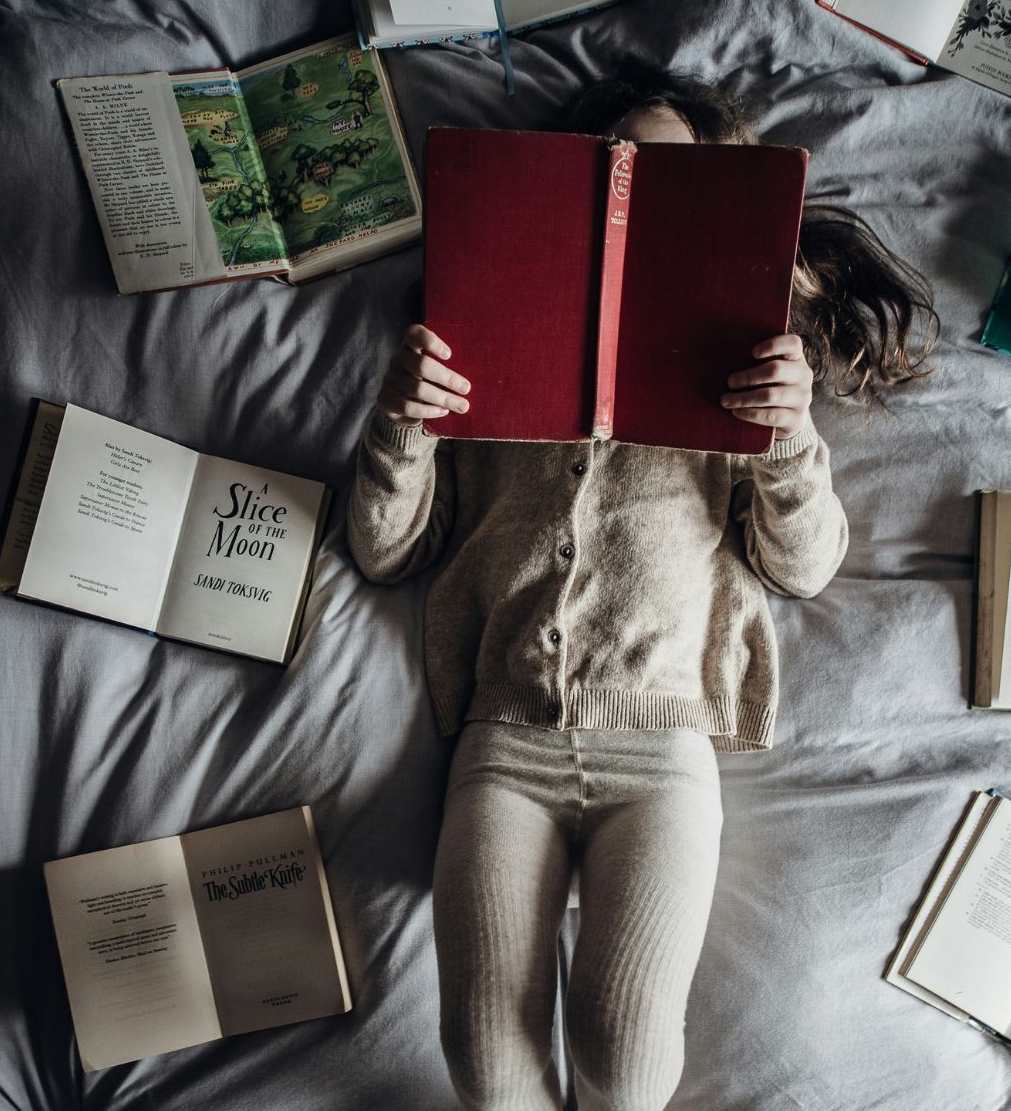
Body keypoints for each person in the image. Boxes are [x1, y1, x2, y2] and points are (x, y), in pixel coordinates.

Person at [347, 69, 937, 1111]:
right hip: (505, 743)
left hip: (661, 752)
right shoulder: (492, 343)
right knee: (488, 1067)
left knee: (622, 1061)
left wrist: (789, 434)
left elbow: (804, 565)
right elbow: (387, 553)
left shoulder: (742, 362)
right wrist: (404, 425)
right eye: (619, 162)